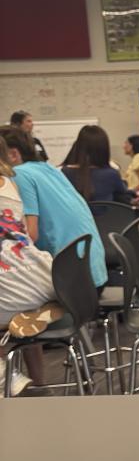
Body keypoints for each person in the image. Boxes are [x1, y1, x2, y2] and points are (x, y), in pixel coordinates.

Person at [0, 125, 107, 291]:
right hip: (93, 276)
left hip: (73, 285)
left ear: (13, 154)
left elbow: (30, 235)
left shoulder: (19, 175)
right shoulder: (48, 168)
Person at [0, 135, 58, 394]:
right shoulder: (10, 184)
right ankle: (38, 385)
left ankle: (11, 382)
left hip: (12, 292)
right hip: (45, 280)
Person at [62, 124, 131, 210]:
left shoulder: (65, 172)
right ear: (104, 148)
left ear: (78, 146)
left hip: (76, 218)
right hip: (107, 218)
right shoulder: (111, 174)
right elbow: (124, 194)